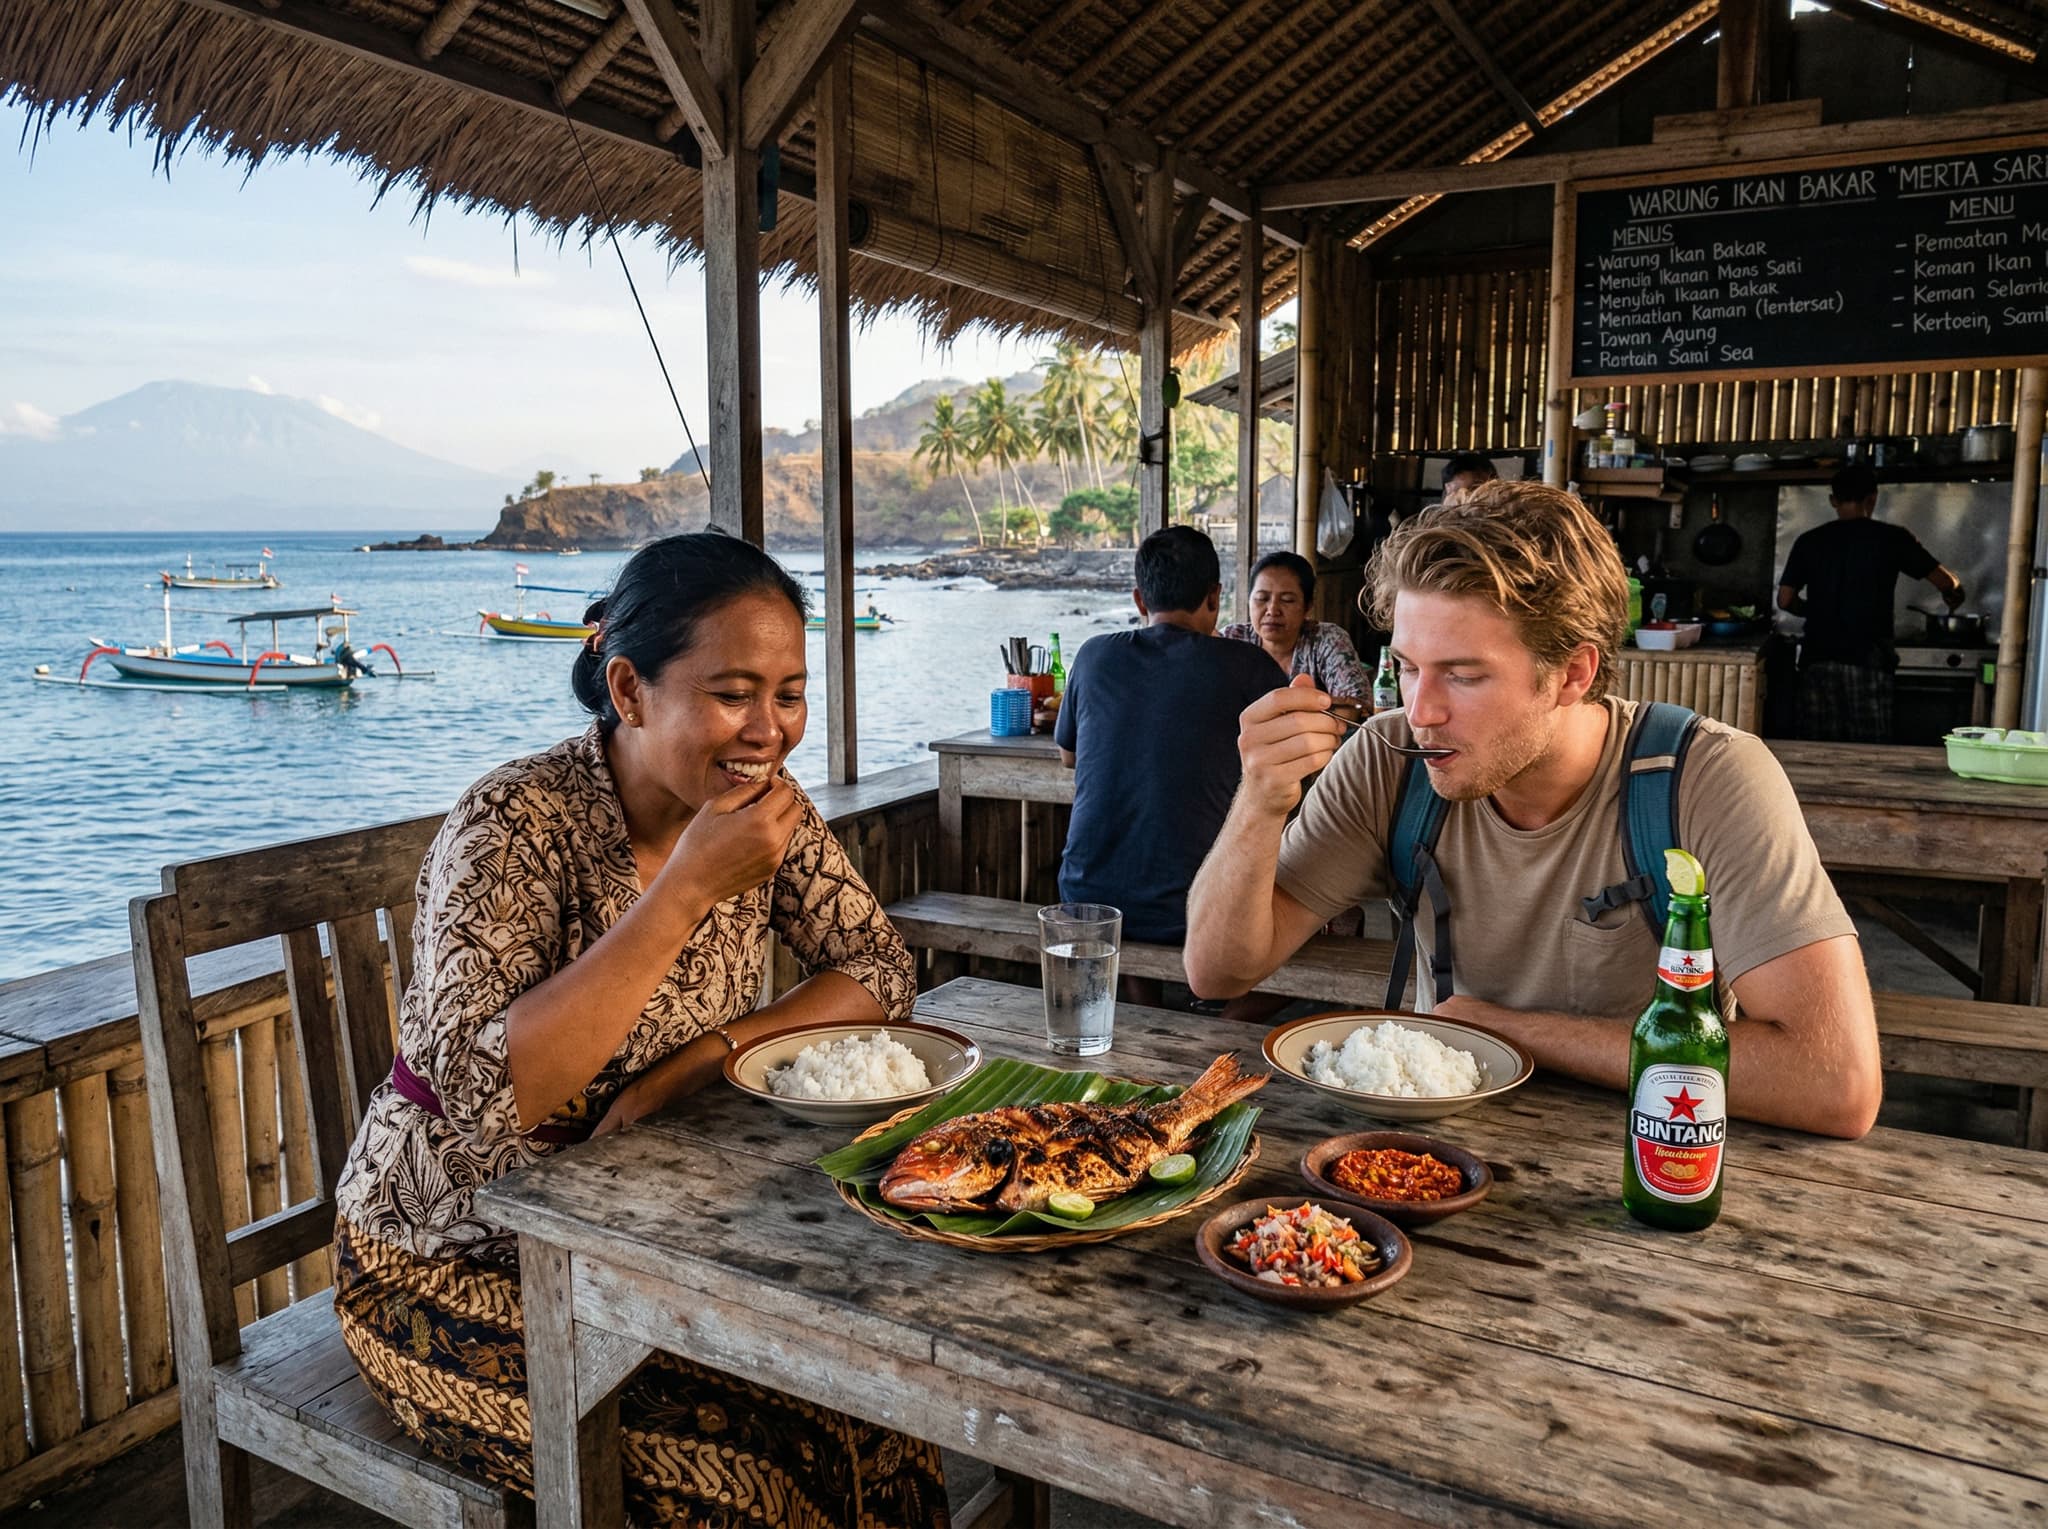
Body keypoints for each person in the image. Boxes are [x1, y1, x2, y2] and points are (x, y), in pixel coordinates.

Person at [330, 534, 947, 1527]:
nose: (769, 728)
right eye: (733, 692)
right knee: (750, 1485)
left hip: (650, 1237)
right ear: (628, 688)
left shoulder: (764, 812)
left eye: (789, 692)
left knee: (884, 1432)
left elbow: (877, 968)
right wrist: (687, 885)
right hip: (449, 1252)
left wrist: (695, 1065)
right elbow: (484, 1097)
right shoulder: (514, 820)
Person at [1184, 482, 1883, 1139]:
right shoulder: (1388, 755)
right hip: (1430, 1157)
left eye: (1463, 674)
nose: (1420, 711)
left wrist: (1507, 1029)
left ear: (1574, 673)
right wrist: (1259, 801)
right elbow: (1217, 974)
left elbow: (1835, 1079)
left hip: (1656, 1161)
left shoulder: (1704, 778)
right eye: (1406, 666)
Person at [1055, 526, 1286, 963]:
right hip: (1199, 906)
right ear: (1216, 597)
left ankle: (1142, 1004)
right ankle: (1220, 1018)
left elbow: (1069, 755)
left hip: (1089, 902)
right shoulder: (1250, 667)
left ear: (1140, 599)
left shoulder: (1093, 657)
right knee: (1309, 908)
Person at [1777, 464, 1965, 743]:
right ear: (1872, 499)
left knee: (1815, 750)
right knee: (1870, 750)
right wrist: (1955, 593)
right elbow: (1946, 582)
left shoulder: (1809, 541)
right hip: (1868, 661)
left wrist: (1818, 609)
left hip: (1817, 661)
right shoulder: (1892, 538)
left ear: (1833, 501)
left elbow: (1785, 599)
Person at [1219, 550, 1369, 697]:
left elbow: (1357, 703)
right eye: (1262, 598)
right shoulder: (1231, 639)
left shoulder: (1326, 640)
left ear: (1308, 606)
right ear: (1249, 601)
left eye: (1287, 600)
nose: (1272, 610)